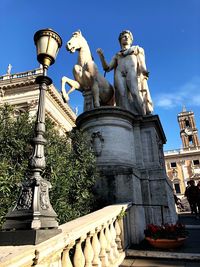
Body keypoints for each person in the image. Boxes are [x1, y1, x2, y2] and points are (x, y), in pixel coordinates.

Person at [97, 30, 153, 115]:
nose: (126, 37)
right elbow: (107, 68)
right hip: (119, 73)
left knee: (135, 92)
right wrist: (101, 56)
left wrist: (144, 71)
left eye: (128, 36)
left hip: (131, 71)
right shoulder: (117, 55)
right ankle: (127, 119)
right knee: (121, 95)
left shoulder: (136, 49)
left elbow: (141, 63)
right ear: (120, 40)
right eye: (124, 36)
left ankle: (143, 116)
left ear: (131, 40)